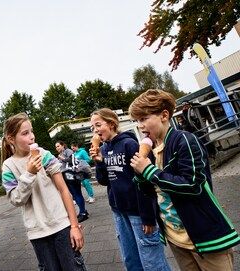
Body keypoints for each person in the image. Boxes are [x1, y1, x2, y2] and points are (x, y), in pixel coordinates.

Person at [129, 89, 240, 271]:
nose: (140, 126)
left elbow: (193, 184)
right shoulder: (152, 150)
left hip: (206, 237)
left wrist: (149, 170)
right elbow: (150, 191)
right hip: (176, 238)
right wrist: (140, 174)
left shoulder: (184, 140)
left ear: (164, 115)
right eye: (137, 121)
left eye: (143, 118)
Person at [1, 113, 87, 270]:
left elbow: (63, 190)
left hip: (62, 225)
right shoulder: (8, 166)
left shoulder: (45, 155)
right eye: (25, 133)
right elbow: (16, 200)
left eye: (31, 131)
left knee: (73, 266)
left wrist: (74, 226)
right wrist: (29, 174)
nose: (32, 137)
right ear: (11, 138)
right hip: (38, 232)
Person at [89, 108, 171, 271]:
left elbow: (144, 181)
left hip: (138, 213)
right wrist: (99, 162)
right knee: (130, 260)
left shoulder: (129, 144)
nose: (95, 131)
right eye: (93, 128)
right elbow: (104, 180)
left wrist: (148, 216)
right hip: (119, 212)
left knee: (151, 262)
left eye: (98, 125)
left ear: (111, 123)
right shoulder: (104, 148)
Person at [55, 141, 89, 222]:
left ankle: (83, 213)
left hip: (71, 174)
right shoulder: (60, 154)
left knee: (77, 193)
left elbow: (72, 161)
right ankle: (82, 211)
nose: (57, 148)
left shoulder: (68, 151)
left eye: (58, 146)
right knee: (74, 194)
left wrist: (62, 158)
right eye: (56, 147)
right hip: (66, 176)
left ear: (63, 145)